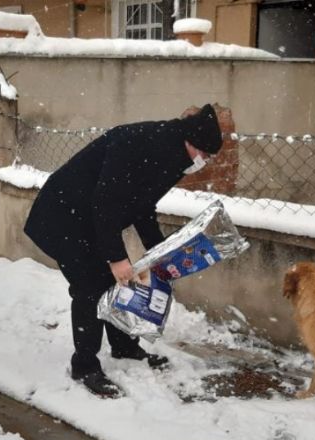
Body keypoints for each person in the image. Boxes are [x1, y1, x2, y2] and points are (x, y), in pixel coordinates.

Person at [24, 104, 224, 397]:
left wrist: (159, 250)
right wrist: (116, 258)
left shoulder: (172, 156)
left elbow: (143, 206)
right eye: (204, 155)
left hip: (92, 217)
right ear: (190, 142)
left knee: (117, 282)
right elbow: (105, 202)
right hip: (63, 216)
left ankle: (124, 347)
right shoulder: (139, 143)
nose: (203, 162)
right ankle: (85, 366)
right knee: (90, 288)